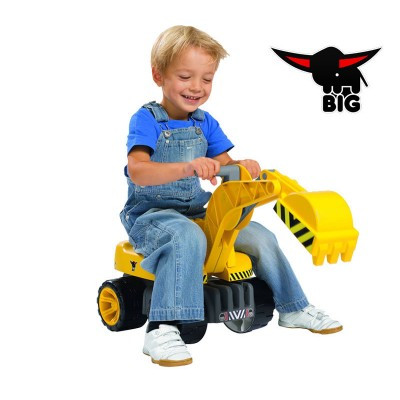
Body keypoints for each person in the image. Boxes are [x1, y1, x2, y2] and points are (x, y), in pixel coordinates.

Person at [120, 25, 342, 367]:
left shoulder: (204, 123)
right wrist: (187, 167)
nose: (197, 87)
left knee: (260, 236)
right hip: (152, 217)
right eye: (185, 76)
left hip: (196, 212)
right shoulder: (146, 120)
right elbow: (138, 170)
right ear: (158, 75)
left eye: (207, 79)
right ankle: (161, 328)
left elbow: (226, 165)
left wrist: (242, 166)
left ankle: (293, 307)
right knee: (186, 236)